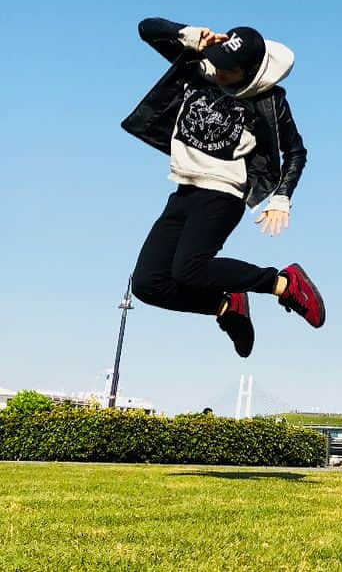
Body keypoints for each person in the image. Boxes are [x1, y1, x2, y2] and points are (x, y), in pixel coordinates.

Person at [122, 18, 325, 357]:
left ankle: (284, 284)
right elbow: (146, 29)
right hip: (183, 190)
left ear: (247, 72)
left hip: (223, 194)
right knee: (147, 283)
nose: (215, 70)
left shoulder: (269, 101)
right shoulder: (199, 66)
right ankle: (227, 307)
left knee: (189, 269)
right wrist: (189, 35)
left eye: (226, 69)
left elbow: (295, 151)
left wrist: (281, 198)